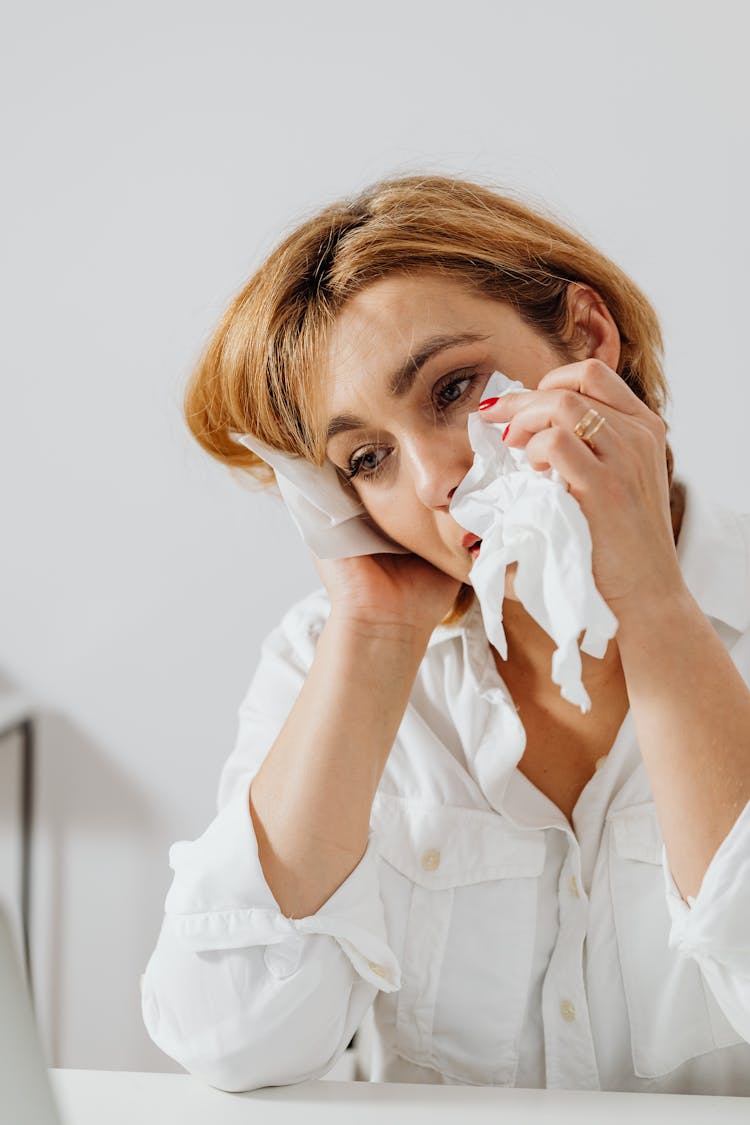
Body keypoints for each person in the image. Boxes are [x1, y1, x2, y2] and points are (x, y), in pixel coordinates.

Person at [141, 174, 750, 1095]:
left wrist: (658, 607)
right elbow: (228, 1039)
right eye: (366, 459)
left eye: (454, 387)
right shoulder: (324, 659)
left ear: (585, 336)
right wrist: (376, 635)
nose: (432, 477)